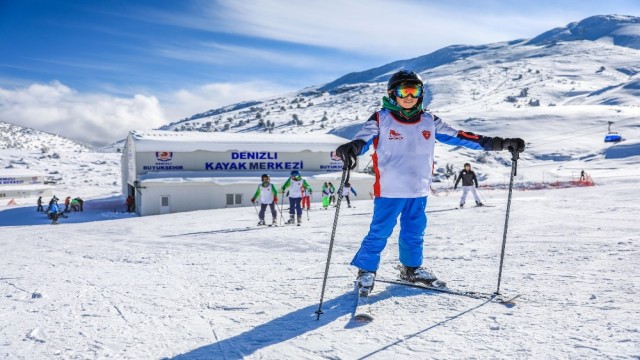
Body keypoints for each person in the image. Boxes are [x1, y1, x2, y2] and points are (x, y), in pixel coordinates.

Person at [335, 70, 525, 292]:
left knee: (414, 231)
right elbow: (362, 139)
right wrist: (352, 147)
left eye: (414, 90)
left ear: (421, 93)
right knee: (380, 231)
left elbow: (461, 137)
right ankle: (366, 270)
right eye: (403, 91)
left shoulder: (429, 120)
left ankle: (412, 269)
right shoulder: (381, 118)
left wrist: (499, 143)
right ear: (392, 94)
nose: (409, 96)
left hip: (418, 189)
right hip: (390, 189)